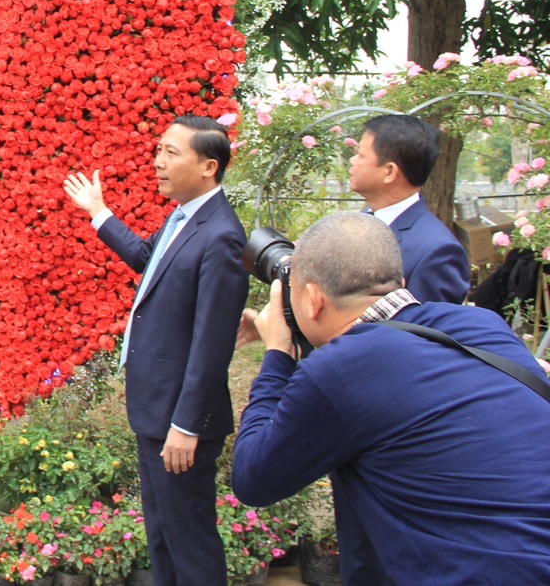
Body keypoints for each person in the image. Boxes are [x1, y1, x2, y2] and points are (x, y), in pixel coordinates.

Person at [233, 212, 550, 584]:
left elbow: (253, 479)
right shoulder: (484, 326)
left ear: (313, 300)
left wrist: (278, 354)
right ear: (400, 283)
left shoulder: (341, 371)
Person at [64, 115, 248, 586]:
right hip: (157, 411)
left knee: (190, 542)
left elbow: (211, 343)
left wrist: (186, 425)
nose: (158, 162)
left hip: (180, 422)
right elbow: (151, 261)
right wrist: (99, 212)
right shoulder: (186, 216)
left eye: (171, 153)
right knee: (163, 534)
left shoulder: (221, 235)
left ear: (209, 166)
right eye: (158, 150)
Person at [349, 114, 471, 304]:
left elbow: (427, 330)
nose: (352, 160)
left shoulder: (436, 251)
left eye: (361, 155)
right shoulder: (364, 220)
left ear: (389, 172)